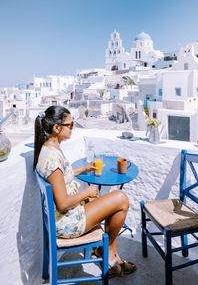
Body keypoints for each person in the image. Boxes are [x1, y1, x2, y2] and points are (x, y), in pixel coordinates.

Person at [34, 105, 136, 277]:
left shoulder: (48, 149)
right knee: (121, 199)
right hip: (67, 223)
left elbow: (60, 178)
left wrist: (82, 169)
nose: (73, 127)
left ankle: (108, 254)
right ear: (56, 128)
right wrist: (86, 193)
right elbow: (63, 202)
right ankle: (109, 255)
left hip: (64, 216)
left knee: (112, 205)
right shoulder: (52, 158)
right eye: (70, 125)